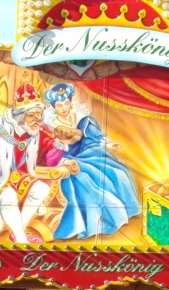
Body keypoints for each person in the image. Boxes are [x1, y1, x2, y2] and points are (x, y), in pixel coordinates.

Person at [0, 82, 79, 243]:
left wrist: (60, 143)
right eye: (32, 115)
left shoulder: (37, 132)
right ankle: (21, 239)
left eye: (39, 115)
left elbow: (51, 161)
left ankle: (19, 232)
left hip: (20, 179)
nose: (37, 120)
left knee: (41, 189)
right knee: (8, 197)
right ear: (20, 115)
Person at [42, 83, 141, 240]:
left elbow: (92, 137)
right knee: (86, 181)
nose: (63, 108)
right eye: (59, 105)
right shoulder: (49, 124)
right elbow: (49, 154)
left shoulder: (80, 118)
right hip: (67, 160)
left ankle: (129, 209)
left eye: (66, 103)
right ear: (53, 106)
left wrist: (107, 144)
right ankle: (99, 222)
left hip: (88, 154)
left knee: (118, 171)